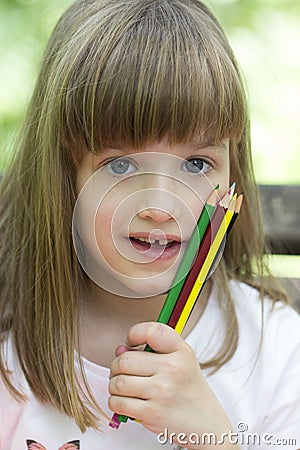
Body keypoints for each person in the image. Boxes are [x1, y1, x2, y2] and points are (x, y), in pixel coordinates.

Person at [0, 0, 299, 449]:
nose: (161, 206)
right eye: (119, 167)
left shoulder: (277, 350)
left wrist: (216, 442)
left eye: (197, 163)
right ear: (65, 176)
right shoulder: (11, 346)